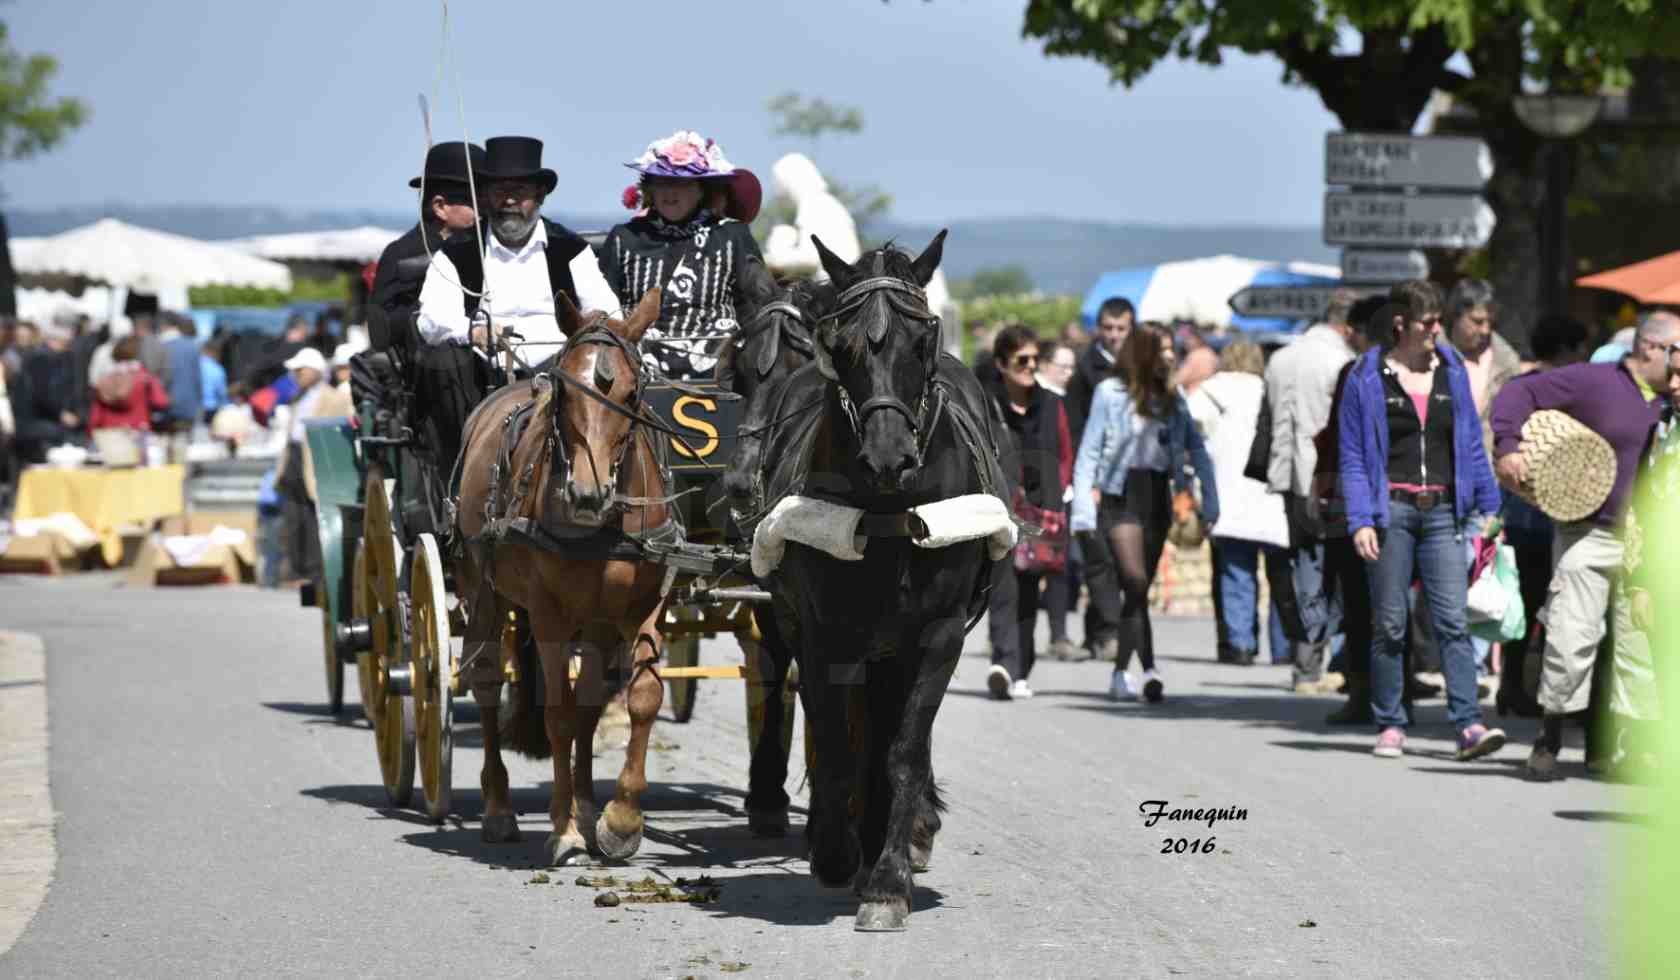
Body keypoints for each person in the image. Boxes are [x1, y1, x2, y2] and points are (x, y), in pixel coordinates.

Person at [1490, 310, 1678, 780]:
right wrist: (1509, 446)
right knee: (1571, 636)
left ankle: (1615, 748)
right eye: (1676, 350)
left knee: (1634, 646)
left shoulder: (1671, 400)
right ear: (1649, 348)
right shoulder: (1593, 382)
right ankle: (1548, 738)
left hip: (1648, 542)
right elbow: (1520, 390)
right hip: (1589, 531)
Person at [1339, 280, 1506, 761]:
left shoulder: (1451, 372)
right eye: (1427, 322)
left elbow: (1472, 443)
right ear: (1400, 324)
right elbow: (1352, 455)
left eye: (1438, 321)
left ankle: (1469, 724)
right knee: (1390, 624)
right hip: (1389, 510)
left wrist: (1490, 508)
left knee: (1453, 621)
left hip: (1444, 513)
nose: (1437, 330)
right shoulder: (1365, 377)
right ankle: (1391, 722)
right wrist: (1360, 521)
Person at [416, 135, 619, 473]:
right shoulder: (456, 252)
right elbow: (431, 321)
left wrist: (590, 323)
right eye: (499, 191)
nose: (508, 201)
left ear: (539, 196)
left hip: (561, 370)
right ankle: (459, 473)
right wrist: (474, 332)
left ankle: (597, 472)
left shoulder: (570, 249)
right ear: (484, 196)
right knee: (442, 360)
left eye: (519, 192)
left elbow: (610, 311)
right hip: (481, 372)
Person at [1073, 324, 1219, 703]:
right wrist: (1084, 514)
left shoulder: (1171, 397)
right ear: (1143, 352)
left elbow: (1197, 449)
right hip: (1120, 495)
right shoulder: (1111, 393)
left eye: (1172, 349)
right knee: (1135, 583)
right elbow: (1089, 451)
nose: (1171, 357)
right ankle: (1147, 667)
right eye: (1164, 349)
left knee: (1139, 593)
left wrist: (1210, 499)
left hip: (1156, 495)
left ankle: (1125, 671)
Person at [598, 129, 764, 381]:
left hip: (719, 373)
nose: (669, 193)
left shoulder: (732, 236)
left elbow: (756, 309)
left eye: (681, 183)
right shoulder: (625, 237)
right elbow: (602, 309)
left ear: (703, 189)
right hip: (636, 374)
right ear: (650, 188)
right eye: (661, 183)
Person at [1263, 290, 1360, 694]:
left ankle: (1305, 659)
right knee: (1330, 569)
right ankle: (1323, 656)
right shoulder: (1340, 362)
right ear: (1348, 326)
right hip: (1325, 475)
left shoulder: (1281, 357)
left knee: (1302, 562)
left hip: (1285, 472)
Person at [1496, 313, 1591, 719]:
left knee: (1527, 602)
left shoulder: (1517, 387)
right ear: (1568, 350)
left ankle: (1513, 686)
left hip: (1520, 515)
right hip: (1559, 518)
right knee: (1557, 608)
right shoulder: (1575, 391)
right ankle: (1550, 695)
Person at [984, 325, 1073, 700]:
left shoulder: (1052, 404)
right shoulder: (987, 403)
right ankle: (1003, 662)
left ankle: (1021, 668)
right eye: (1023, 360)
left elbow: (1066, 453)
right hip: (999, 509)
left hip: (1042, 511)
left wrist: (1059, 494)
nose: (1031, 366)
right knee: (1003, 583)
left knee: (1028, 588)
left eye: (1036, 359)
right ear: (1002, 364)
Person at [1317, 295, 1387, 724]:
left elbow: (1340, 439)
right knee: (1390, 604)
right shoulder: (1418, 371)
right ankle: (1392, 696)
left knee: (1361, 605)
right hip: (1401, 500)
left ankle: (1364, 693)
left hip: (1355, 503)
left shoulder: (1355, 372)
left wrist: (1326, 493)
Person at [1201, 340, 1290, 666]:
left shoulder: (1210, 391)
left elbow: (1196, 437)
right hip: (1270, 496)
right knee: (1281, 576)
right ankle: (1284, 648)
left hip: (1229, 497)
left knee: (1237, 573)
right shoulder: (1270, 389)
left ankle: (1240, 644)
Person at [369, 141, 486, 353]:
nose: (483, 211)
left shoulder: (483, 248)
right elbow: (380, 331)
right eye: (475, 202)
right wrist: (431, 311)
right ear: (440, 207)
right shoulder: (401, 255)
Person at [9, 318, 85, 462]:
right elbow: (41, 393)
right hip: (36, 423)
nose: (67, 347)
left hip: (37, 422)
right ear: (54, 341)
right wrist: (61, 414)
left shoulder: (45, 357)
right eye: (65, 344)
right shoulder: (41, 359)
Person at [88, 336, 170, 433]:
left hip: (109, 432)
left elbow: (96, 412)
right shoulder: (145, 377)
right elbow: (161, 401)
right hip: (137, 430)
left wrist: (92, 431)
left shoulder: (106, 379)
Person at [158, 312, 203, 431]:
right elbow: (197, 380)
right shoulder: (192, 346)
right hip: (188, 406)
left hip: (164, 407)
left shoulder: (160, 346)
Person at [199, 337, 230, 419]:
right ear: (215, 353)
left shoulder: (193, 366)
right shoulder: (217, 369)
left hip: (195, 409)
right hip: (211, 410)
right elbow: (221, 393)